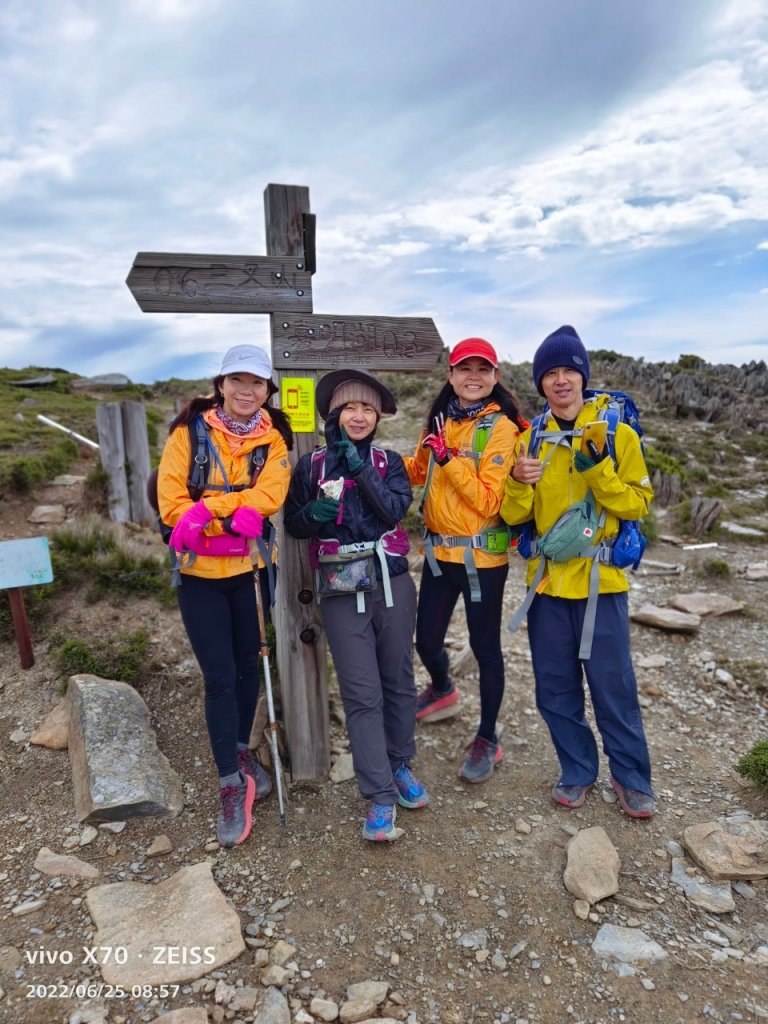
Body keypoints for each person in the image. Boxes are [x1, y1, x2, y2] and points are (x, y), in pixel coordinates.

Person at [500, 325, 656, 818]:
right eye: (551, 373)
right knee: (554, 689)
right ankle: (577, 770)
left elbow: (638, 504)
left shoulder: (618, 435)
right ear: (540, 383)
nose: (561, 380)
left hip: (601, 583)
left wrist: (597, 469)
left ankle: (632, 778)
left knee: (614, 687)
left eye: (570, 371)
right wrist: (518, 483)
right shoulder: (530, 439)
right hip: (547, 585)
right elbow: (513, 516)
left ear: (583, 376)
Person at [157, 344, 293, 847]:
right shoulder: (188, 433)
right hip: (199, 576)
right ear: (221, 385)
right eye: (237, 380)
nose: (246, 390)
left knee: (248, 664)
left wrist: (208, 511)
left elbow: (270, 496)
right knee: (218, 676)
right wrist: (230, 516)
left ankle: (240, 747)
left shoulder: (274, 440)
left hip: (251, 570)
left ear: (267, 391)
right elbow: (171, 505)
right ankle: (230, 782)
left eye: (256, 383)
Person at [283, 368, 427, 842]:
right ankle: (380, 793)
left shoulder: (389, 462)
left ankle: (399, 763)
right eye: (349, 407)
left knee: (399, 680)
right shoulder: (311, 466)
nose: (359, 416)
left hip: (391, 579)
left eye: (368, 408)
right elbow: (295, 523)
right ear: (333, 414)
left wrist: (358, 468)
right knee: (362, 692)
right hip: (341, 585)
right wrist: (313, 513)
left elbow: (393, 510)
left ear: (379, 416)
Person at [404, 338, 527, 783]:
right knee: (426, 642)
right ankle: (443, 689)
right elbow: (420, 471)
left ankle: (488, 738)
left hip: (482, 561)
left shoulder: (503, 429)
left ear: (495, 376)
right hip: (439, 555)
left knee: (485, 647)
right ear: (451, 375)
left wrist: (448, 458)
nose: (473, 376)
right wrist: (370, 462)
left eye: (482, 369)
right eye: (464, 368)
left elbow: (489, 499)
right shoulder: (441, 420)